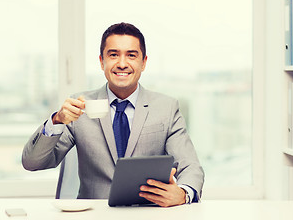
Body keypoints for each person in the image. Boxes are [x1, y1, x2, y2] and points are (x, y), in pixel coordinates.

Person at [22, 22, 204, 207]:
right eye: (114, 55)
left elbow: (191, 167)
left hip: (147, 214)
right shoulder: (79, 106)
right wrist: (57, 121)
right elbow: (32, 162)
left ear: (144, 63)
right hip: (94, 214)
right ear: (102, 61)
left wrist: (184, 194)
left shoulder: (166, 107)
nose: (122, 64)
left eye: (131, 55)